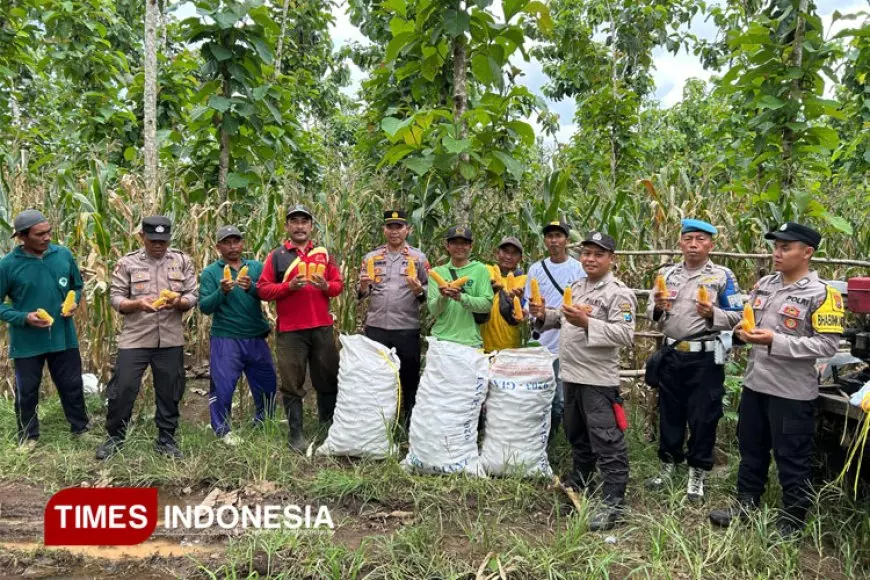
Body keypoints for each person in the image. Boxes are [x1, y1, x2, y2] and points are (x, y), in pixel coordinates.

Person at [710, 223, 843, 537]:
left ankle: (792, 521)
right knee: (751, 449)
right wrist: (741, 335)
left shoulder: (822, 294)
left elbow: (826, 346)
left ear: (807, 252)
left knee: (792, 458)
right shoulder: (764, 286)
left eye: (786, 247)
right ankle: (747, 504)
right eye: (776, 246)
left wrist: (774, 341)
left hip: (792, 393)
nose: (777, 253)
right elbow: (748, 324)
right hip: (756, 385)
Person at [530, 232, 635, 530]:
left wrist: (587, 322)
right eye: (586, 253)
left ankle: (614, 500)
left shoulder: (618, 293)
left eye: (598, 254)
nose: (590, 259)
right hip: (571, 374)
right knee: (578, 434)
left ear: (611, 259)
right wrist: (543, 315)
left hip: (597, 379)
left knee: (606, 438)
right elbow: (563, 318)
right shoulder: (577, 287)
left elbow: (625, 335)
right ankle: (581, 480)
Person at [645, 218, 743, 502]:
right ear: (680, 242)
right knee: (670, 413)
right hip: (672, 353)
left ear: (711, 244)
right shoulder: (668, 274)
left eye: (700, 239)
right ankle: (667, 466)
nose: (693, 245)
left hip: (705, 356)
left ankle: (697, 474)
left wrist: (712, 313)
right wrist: (657, 310)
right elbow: (652, 309)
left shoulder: (722, 276)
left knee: (704, 417)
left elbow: (737, 315)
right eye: (688, 239)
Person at [97, 216, 198, 460]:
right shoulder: (128, 263)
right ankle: (115, 437)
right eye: (153, 240)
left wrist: (180, 301)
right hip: (136, 337)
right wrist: (137, 304)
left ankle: (166, 439)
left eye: (163, 241)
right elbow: (116, 297)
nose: (158, 246)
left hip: (170, 338)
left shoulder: (182, 261)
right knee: (123, 387)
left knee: (170, 389)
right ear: (142, 237)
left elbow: (193, 293)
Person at [0, 210, 89, 452]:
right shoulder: (7, 265)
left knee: (71, 384)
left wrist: (73, 302)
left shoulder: (63, 255)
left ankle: (80, 428)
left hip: (63, 336)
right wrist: (23, 317)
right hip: (27, 340)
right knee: (27, 390)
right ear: (22, 236)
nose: (47, 237)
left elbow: (76, 285)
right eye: (40, 234)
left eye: (49, 232)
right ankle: (28, 436)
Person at [257, 204, 343, 453]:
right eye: (294, 221)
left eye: (304, 221)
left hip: (322, 327)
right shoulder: (277, 256)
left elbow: (338, 286)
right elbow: (263, 289)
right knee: (292, 382)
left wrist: (325, 285)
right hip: (291, 330)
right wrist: (288, 288)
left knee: (327, 378)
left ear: (311, 226)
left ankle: (327, 426)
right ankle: (296, 433)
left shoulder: (323, 254)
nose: (299, 226)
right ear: (287, 227)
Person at [198, 225, 277, 446]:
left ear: (243, 243)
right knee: (223, 386)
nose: (233, 247)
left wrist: (251, 288)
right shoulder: (211, 273)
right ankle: (222, 430)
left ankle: (264, 422)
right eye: (227, 242)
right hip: (226, 338)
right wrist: (221, 292)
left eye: (237, 241)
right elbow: (204, 306)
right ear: (218, 246)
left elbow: (267, 294)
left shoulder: (256, 267)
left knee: (267, 383)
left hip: (255, 335)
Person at [358, 210, 429, 426]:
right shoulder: (372, 258)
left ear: (408, 230)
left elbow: (428, 292)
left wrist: (418, 290)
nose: (394, 231)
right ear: (384, 230)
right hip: (376, 327)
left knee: (408, 379)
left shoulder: (418, 258)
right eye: (390, 227)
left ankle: (407, 424)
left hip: (406, 328)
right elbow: (362, 294)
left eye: (399, 227)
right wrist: (361, 286)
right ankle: (378, 424)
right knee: (377, 379)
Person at [525, 220, 585, 442]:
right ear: (545, 241)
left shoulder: (578, 269)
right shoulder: (536, 269)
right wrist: (531, 311)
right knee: (540, 396)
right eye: (549, 236)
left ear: (567, 241)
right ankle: (541, 441)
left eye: (558, 236)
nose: (554, 240)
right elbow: (526, 304)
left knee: (561, 400)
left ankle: (557, 441)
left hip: (568, 343)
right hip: (542, 342)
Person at [427, 225, 493, 348]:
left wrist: (460, 297)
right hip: (441, 340)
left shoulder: (480, 270)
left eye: (464, 243)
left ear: (471, 246)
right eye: (455, 243)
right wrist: (444, 297)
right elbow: (433, 310)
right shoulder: (437, 272)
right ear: (447, 245)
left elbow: (487, 305)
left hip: (470, 342)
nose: (459, 247)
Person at [481, 236, 527, 352]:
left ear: (521, 258)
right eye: (505, 252)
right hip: (482, 346)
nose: (508, 256)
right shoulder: (485, 271)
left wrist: (519, 301)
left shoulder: (524, 280)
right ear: (497, 254)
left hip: (510, 347)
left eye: (514, 253)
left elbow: (527, 311)